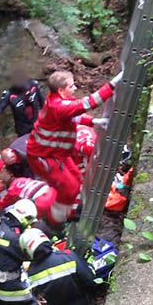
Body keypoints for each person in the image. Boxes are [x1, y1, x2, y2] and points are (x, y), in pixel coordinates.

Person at [26, 69, 122, 224]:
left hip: (57, 153)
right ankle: (56, 219)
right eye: (72, 86)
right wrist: (113, 84)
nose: (75, 88)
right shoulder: (58, 106)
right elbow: (88, 103)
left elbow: (71, 116)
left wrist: (93, 122)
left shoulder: (55, 102)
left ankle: (69, 211)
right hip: (44, 157)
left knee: (76, 179)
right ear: (61, 90)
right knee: (69, 187)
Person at [0, 68, 45, 136]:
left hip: (37, 121)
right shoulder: (10, 94)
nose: (27, 91)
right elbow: (0, 107)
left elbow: (43, 102)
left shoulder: (33, 85)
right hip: (23, 128)